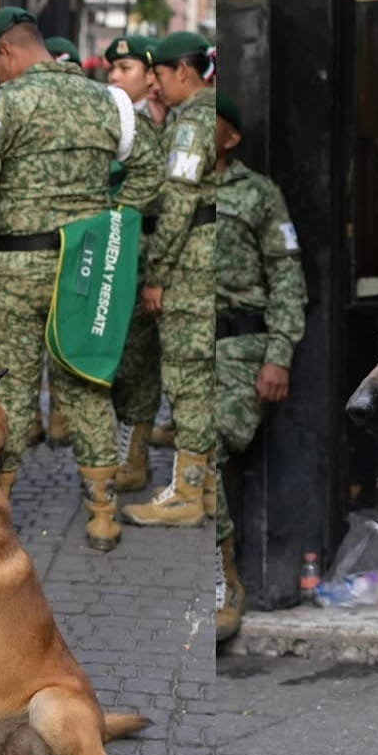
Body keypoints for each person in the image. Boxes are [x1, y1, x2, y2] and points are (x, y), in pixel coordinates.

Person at [0, 7, 160, 550]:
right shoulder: (108, 101)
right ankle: (102, 514)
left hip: (14, 270)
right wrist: (114, 220)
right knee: (86, 383)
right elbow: (150, 170)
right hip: (87, 269)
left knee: (10, 390)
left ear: (7, 53)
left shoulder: (3, 102)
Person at [211, 93, 306, 640]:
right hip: (186, 345)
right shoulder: (179, 185)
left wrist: (278, 354)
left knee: (212, 446)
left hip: (240, 348)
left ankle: (225, 578)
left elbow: (287, 277)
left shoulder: (258, 194)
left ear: (231, 137)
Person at [121, 31, 218, 529]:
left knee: (187, 382)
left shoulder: (191, 125)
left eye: (157, 74)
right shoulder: (211, 116)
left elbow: (178, 206)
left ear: (183, 71)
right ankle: (200, 486)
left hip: (188, 271)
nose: (153, 86)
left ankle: (187, 493)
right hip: (208, 267)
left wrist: (156, 276)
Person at [105, 34, 168, 492]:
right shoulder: (107, 122)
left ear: (151, 76)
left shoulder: (172, 124)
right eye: (111, 68)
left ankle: (136, 456)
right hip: (112, 254)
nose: (113, 76)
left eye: (124, 68)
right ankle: (122, 447)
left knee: (142, 364)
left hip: (151, 256)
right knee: (117, 360)